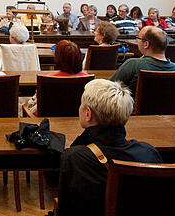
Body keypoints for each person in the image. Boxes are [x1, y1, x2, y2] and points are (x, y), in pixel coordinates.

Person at [56, 79, 163, 216]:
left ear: (88, 113)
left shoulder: (74, 158)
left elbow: (66, 209)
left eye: (81, 104)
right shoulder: (149, 153)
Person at [109, 26, 175, 90]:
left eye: (138, 38)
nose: (137, 41)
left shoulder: (133, 65)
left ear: (146, 44)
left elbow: (108, 89)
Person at [25, 40, 87, 115]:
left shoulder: (47, 79)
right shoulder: (87, 78)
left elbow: (37, 105)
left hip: (47, 119)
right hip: (78, 118)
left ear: (58, 58)